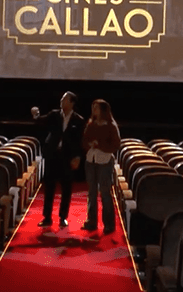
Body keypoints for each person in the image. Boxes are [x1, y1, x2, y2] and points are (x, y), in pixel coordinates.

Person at [31, 91, 84, 228]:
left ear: (72, 103)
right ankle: (47, 217)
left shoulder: (78, 120)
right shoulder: (54, 115)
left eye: (65, 99)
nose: (61, 101)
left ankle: (63, 217)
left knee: (66, 189)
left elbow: (79, 141)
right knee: (49, 187)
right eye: (61, 99)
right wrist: (35, 115)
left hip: (67, 158)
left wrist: (77, 157)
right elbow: (40, 121)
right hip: (52, 156)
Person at [80, 99, 121, 233]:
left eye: (96, 108)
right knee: (91, 192)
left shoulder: (110, 125)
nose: (94, 110)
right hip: (91, 161)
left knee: (105, 193)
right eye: (93, 108)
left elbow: (115, 145)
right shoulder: (91, 124)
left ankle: (108, 224)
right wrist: (89, 145)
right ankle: (91, 221)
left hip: (104, 161)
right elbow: (84, 141)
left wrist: (100, 145)